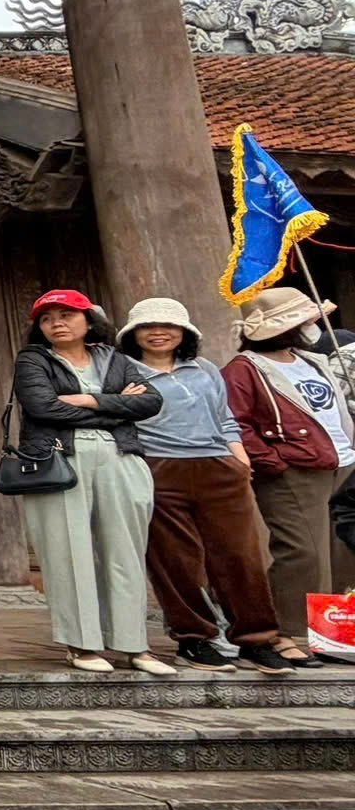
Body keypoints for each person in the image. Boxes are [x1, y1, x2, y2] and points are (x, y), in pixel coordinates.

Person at [118, 299, 297, 674]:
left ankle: (256, 640)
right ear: (133, 334)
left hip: (219, 466)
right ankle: (193, 639)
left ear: (184, 332)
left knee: (240, 556)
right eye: (148, 326)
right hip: (159, 466)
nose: (158, 332)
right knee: (176, 560)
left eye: (169, 325)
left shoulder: (205, 369)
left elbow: (225, 417)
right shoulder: (122, 371)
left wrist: (239, 459)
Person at [16, 289, 169, 673]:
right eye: (47, 318)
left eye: (66, 315)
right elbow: (42, 407)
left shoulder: (115, 358)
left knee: (126, 550)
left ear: (89, 321)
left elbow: (150, 402)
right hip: (61, 458)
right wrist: (116, 404)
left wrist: (84, 400)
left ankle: (134, 645)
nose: (56, 323)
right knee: (68, 551)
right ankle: (81, 645)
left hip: (121, 456)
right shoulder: (34, 360)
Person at [225, 286, 353, 664]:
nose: (312, 327)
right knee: (303, 552)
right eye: (305, 322)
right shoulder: (244, 369)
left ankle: (332, 637)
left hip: (342, 463)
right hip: (294, 470)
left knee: (339, 553)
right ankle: (287, 632)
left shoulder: (312, 360)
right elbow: (236, 421)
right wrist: (271, 461)